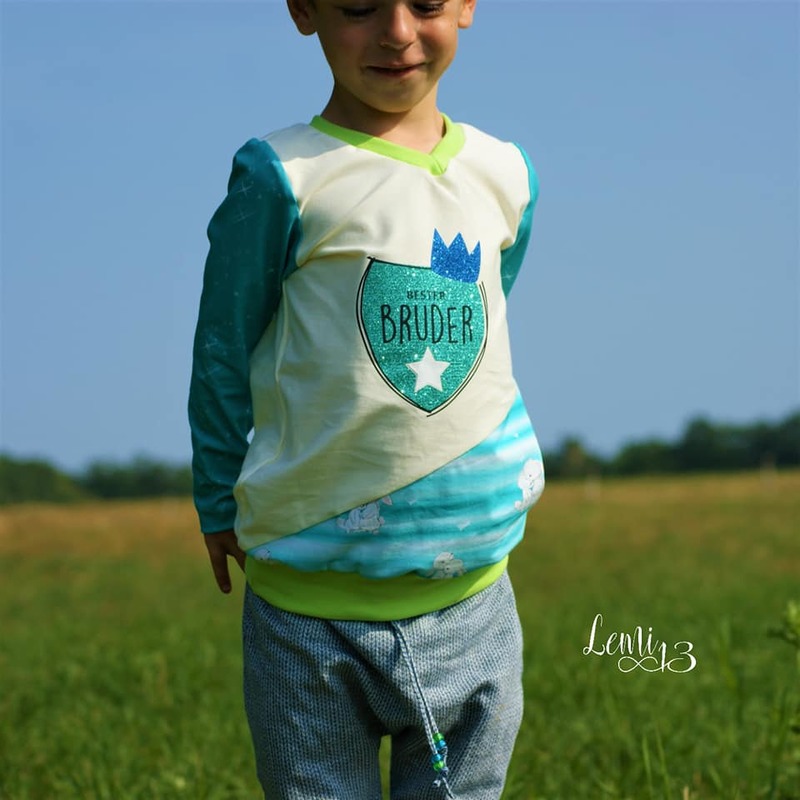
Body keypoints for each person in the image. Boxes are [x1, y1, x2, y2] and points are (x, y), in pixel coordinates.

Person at [188, 0, 545, 797]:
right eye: (358, 6)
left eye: (426, 4)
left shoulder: (506, 172)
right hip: (308, 615)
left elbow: (486, 321)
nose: (397, 32)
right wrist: (215, 496)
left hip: (475, 599)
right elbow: (223, 346)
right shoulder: (283, 174)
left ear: (467, 5)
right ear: (304, 10)